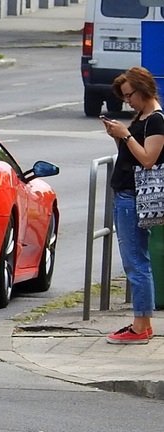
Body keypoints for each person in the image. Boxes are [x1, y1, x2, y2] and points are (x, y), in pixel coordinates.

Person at [102, 66, 164, 344]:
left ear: (144, 89)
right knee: (135, 260)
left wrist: (126, 135)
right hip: (126, 192)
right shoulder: (141, 117)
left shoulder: (156, 120)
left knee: (136, 262)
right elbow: (130, 156)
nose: (127, 101)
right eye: (125, 97)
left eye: (130, 95)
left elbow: (149, 159)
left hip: (134, 196)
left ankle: (142, 326)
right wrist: (119, 137)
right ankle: (141, 322)